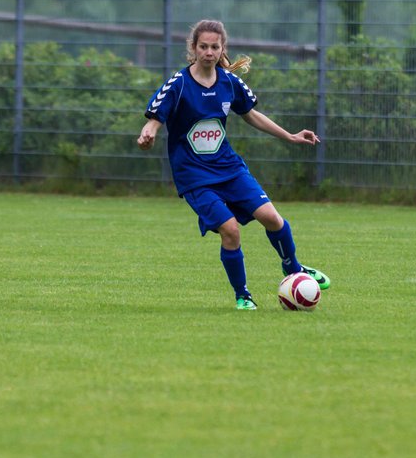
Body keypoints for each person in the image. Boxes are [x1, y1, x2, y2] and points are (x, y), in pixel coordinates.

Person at [138, 18, 330, 310]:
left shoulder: (229, 82)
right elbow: (155, 118)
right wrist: (148, 133)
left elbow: (252, 115)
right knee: (231, 230)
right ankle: (243, 295)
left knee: (272, 218)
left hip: (228, 168)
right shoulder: (178, 84)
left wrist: (289, 136)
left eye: (215, 47)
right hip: (194, 176)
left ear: (222, 48)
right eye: (203, 46)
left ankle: (294, 269)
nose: (209, 52)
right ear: (193, 48)